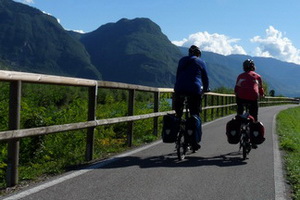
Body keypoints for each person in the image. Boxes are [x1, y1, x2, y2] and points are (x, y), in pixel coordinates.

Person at [173, 45, 210, 150]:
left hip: (179, 89)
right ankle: (194, 142)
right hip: (194, 90)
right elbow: (205, 78)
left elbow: (178, 75)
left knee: (178, 113)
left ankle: (177, 132)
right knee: (195, 114)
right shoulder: (201, 62)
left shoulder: (182, 60)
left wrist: (178, 87)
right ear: (198, 54)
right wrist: (205, 89)